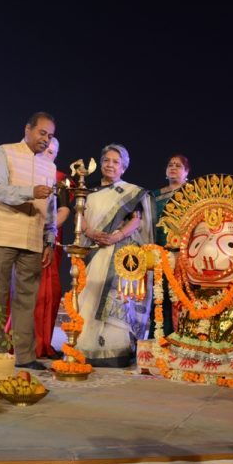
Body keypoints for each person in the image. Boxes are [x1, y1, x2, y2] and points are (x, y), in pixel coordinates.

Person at [0, 112, 57, 370]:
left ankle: (26, 357)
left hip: (32, 239)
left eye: (50, 136)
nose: (46, 139)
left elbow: (51, 206)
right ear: (28, 129)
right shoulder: (4, 152)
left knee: (27, 299)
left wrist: (49, 238)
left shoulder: (49, 166)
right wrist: (30, 192)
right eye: (42, 133)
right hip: (1, 235)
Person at [78, 144, 153, 367]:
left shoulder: (129, 191)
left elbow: (136, 219)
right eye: (107, 161)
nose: (110, 165)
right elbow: (79, 216)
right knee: (88, 297)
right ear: (101, 164)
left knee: (116, 298)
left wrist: (116, 236)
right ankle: (84, 347)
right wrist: (90, 232)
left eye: (116, 162)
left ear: (123, 167)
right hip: (92, 250)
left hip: (117, 252)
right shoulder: (88, 190)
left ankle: (114, 352)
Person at [33, 137, 71, 359]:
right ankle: (16, 342)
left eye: (53, 150)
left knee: (48, 293)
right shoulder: (26, 174)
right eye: (46, 147)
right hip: (24, 237)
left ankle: (43, 343)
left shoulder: (61, 180)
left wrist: (47, 228)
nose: (48, 151)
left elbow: (64, 210)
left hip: (49, 240)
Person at [149, 154, 190, 337]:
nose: (173, 168)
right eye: (170, 165)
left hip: (185, 255)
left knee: (182, 297)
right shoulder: (154, 196)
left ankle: (182, 337)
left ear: (186, 172)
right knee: (160, 297)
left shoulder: (193, 194)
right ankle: (159, 338)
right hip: (160, 253)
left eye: (179, 165)